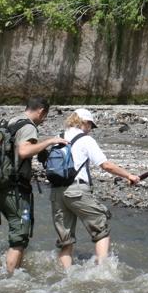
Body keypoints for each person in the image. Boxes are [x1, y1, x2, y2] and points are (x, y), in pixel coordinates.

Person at [51, 108, 140, 269]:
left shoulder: (58, 138)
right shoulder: (86, 140)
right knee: (101, 228)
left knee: (66, 239)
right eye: (90, 125)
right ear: (84, 122)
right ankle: (102, 270)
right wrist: (129, 176)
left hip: (56, 192)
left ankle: (65, 276)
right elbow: (105, 165)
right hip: (77, 190)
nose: (90, 129)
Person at [0, 97, 66, 274]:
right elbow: (24, 151)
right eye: (45, 116)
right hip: (15, 189)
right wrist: (49, 141)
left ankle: (7, 270)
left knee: (16, 231)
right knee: (19, 237)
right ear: (41, 111)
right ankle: (9, 280)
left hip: (0, 185)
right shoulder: (28, 127)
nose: (44, 120)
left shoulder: (12, 121)